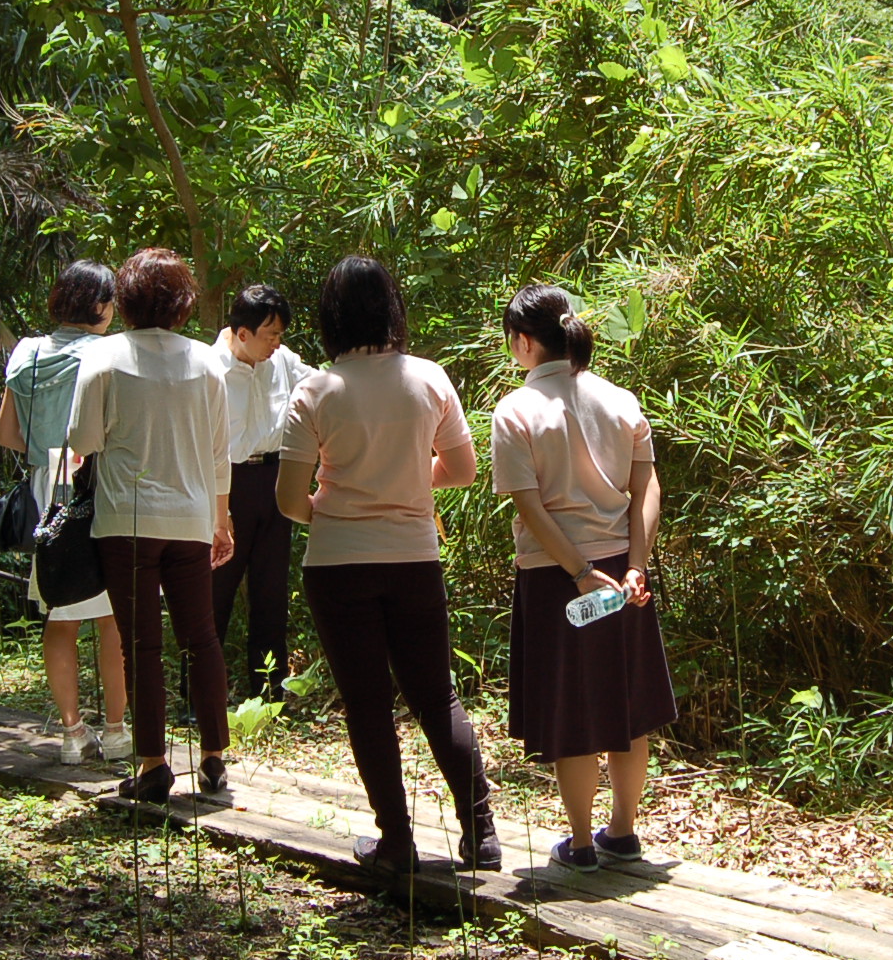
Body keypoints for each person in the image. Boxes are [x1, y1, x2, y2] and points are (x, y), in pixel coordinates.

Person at [275, 255, 501, 872]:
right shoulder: (429, 378)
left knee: (368, 704)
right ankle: (481, 833)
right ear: (393, 309)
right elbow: (461, 470)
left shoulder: (315, 390)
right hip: (413, 558)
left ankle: (396, 842)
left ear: (331, 317)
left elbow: (288, 499)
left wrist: (331, 504)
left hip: (339, 564)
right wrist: (406, 483)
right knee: (436, 696)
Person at [490, 284, 676, 872]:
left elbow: (530, 507)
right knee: (626, 704)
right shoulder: (621, 400)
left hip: (558, 578)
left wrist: (578, 571)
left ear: (522, 343)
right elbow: (647, 489)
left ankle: (579, 844)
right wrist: (635, 566)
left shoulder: (516, 411)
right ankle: (622, 831)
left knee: (573, 713)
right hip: (624, 575)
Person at [66, 247, 235, 805]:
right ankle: (213, 759)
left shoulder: (105, 358)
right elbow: (219, 453)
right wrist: (221, 519)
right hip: (190, 518)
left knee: (141, 643)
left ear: (127, 299)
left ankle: (153, 764)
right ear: (183, 304)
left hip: (126, 519)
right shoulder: (207, 362)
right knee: (202, 637)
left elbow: (82, 441)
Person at [0, 259, 131, 766]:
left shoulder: (27, 353)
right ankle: (116, 733)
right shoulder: (111, 354)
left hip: (47, 494)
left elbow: (8, 434)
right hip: (101, 489)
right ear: (100, 305)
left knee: (60, 616)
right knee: (113, 618)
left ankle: (73, 735)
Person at [211, 284, 313, 702]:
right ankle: (203, 696)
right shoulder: (208, 367)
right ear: (241, 332)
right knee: (214, 595)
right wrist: (218, 510)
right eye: (269, 334)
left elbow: (322, 391)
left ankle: (268, 693)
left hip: (275, 481)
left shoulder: (284, 362)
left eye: (280, 334)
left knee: (270, 593)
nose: (277, 342)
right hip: (224, 486)